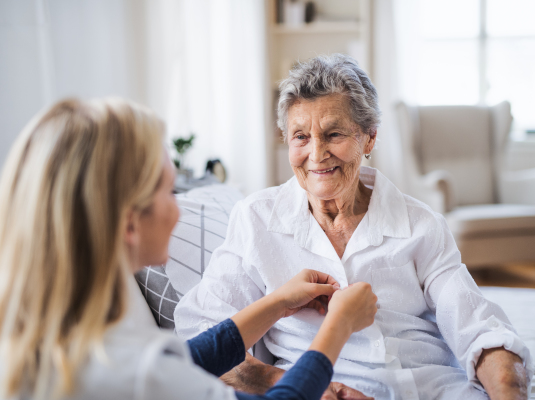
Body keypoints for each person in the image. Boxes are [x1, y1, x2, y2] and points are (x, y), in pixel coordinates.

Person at [174, 54, 533, 400]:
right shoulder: (256, 219)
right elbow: (202, 330)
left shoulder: (420, 225)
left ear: (369, 138)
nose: (316, 154)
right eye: (301, 137)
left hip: (431, 388)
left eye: (333, 135)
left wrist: (506, 388)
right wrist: (283, 382)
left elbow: (480, 329)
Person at [0, 98, 379, 400]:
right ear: (130, 222)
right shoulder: (140, 374)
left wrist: (277, 302)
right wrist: (338, 325)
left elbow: (190, 359)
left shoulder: (57, 342)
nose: (178, 207)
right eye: (169, 190)